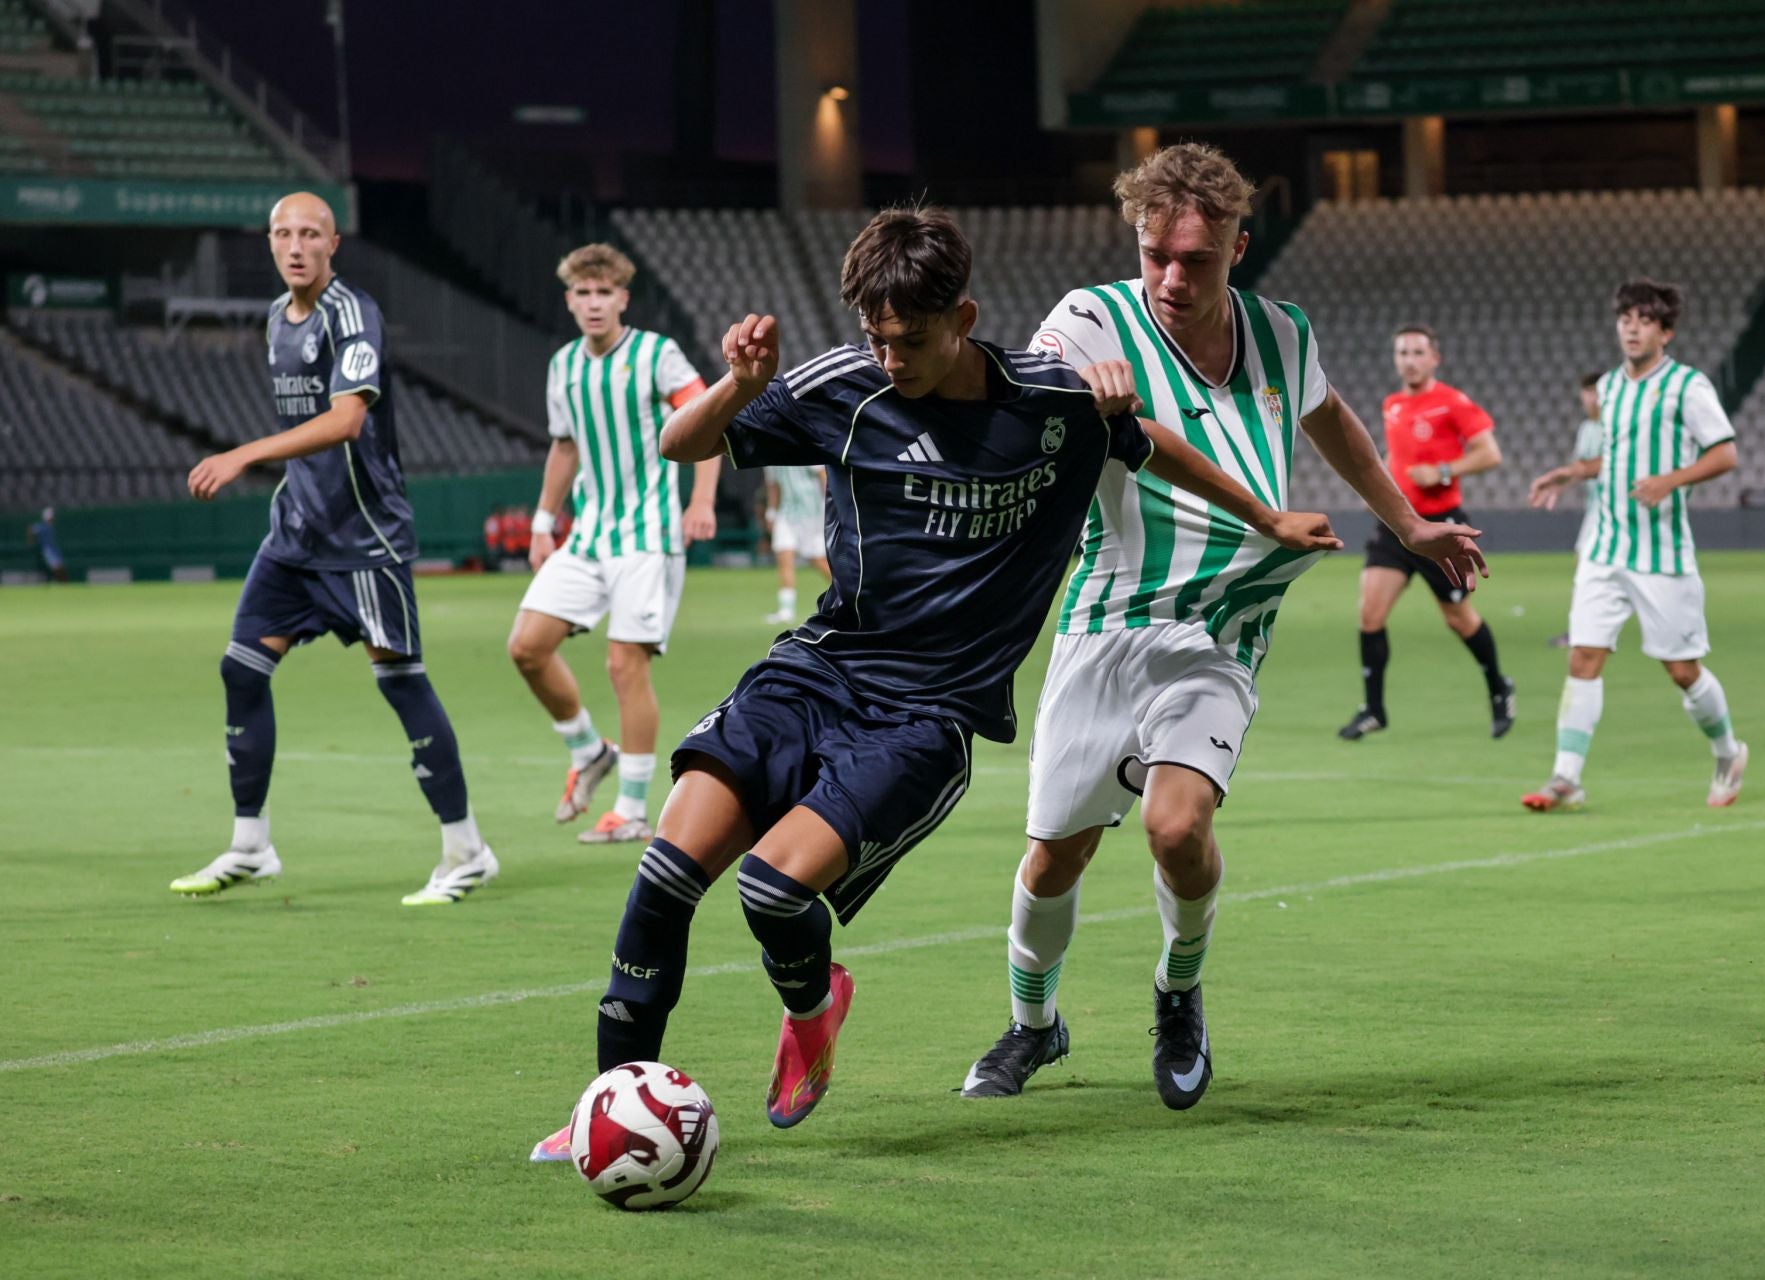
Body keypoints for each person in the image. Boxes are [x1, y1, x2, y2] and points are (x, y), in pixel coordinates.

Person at [530, 204, 1343, 1160]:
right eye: (875, 337)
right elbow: (682, 446)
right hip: (817, 671)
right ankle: (602, 1112)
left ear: (964, 317)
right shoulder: (845, 387)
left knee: (769, 893)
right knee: (664, 876)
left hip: (927, 716)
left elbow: (1154, 443)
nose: (891, 359)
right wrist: (738, 387)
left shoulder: (1053, 403)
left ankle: (813, 1002)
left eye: (911, 339)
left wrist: (1269, 516)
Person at [960, 143, 1489, 1108]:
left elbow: (1330, 419)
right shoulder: (1086, 321)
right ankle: (1035, 1027)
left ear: (1239, 248)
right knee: (1055, 855)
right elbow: (1089, 434)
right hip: (1104, 618)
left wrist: (1407, 521)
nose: (1170, 276)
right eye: (1155, 252)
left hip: (1221, 623)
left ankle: (1179, 991)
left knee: (1177, 827)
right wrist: (1254, 505)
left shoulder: (1283, 332)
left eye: (1195, 259)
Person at [168, 192, 494, 906]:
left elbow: (347, 422)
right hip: (296, 537)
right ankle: (251, 844)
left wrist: (243, 455)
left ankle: (467, 850)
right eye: (283, 233)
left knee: (402, 682)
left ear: (333, 243)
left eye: (310, 234)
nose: (296, 245)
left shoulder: (353, 314)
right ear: (269, 241)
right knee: (242, 669)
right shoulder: (273, 321)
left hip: (365, 539)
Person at [505, 244, 719, 846]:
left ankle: (630, 808)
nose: (594, 304)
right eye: (583, 293)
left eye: (605, 293)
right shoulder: (564, 365)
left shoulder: (657, 354)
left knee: (625, 666)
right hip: (590, 534)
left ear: (623, 298)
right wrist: (545, 521)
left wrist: (699, 500)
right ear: (569, 300)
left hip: (648, 536)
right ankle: (587, 749)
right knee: (527, 646)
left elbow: (708, 416)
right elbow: (565, 446)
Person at [1523, 279, 1748, 811]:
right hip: (1605, 547)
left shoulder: (1688, 387)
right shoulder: (1609, 388)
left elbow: (1725, 454)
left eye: (1645, 319)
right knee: (1583, 656)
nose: (1631, 326)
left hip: (1661, 554)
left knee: (1682, 670)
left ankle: (1727, 751)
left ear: (1666, 332)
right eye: (1626, 316)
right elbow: (1621, 456)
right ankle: (1566, 778)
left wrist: (1670, 480)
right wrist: (1575, 473)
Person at [1336, 324, 1512, 740]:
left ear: (1435, 358)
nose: (1409, 360)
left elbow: (1491, 454)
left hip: (1440, 527)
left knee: (1459, 619)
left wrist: (1444, 470)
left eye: (1417, 352)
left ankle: (1499, 686)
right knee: (1369, 613)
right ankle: (1373, 709)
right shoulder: (1393, 404)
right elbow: (1394, 454)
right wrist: (1377, 488)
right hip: (1396, 526)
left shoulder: (1451, 402)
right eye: (1402, 353)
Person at [1549, 372, 1607, 649]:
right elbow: (1579, 466)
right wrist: (1560, 485)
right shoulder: (1587, 428)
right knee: (1588, 565)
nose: (1591, 398)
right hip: (1595, 507)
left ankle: (1583, 631)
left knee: (1586, 563)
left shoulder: (1614, 426)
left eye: (1596, 392)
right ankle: (1590, 628)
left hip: (1614, 506)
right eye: (1587, 392)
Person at [762, 464, 831, 624]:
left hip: (812, 514)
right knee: (784, 557)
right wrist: (771, 513)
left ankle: (850, 595)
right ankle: (786, 610)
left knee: (817, 560)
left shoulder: (803, 445)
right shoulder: (768, 457)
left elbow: (823, 476)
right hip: (786, 513)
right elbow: (773, 484)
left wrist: (830, 507)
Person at [27, 506, 68, 582]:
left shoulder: (50, 526)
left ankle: (63, 582)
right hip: (48, 550)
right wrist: (31, 542)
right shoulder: (42, 526)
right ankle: (54, 580)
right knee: (56, 567)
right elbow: (31, 529)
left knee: (60, 567)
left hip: (54, 549)